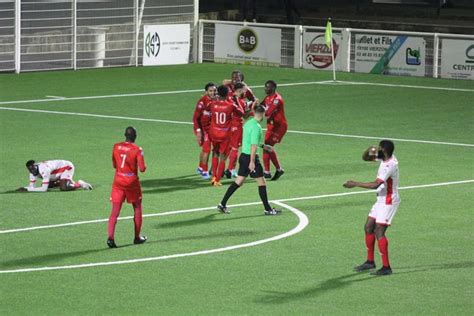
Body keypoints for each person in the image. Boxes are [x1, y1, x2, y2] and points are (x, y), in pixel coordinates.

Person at [343, 140, 400, 276]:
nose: (378, 149)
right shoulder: (386, 156)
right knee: (368, 227)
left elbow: (375, 185)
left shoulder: (389, 165)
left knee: (379, 231)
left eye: (379, 147)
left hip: (389, 201)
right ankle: (370, 261)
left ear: (384, 151)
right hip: (380, 200)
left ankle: (386, 267)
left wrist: (355, 183)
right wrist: (371, 150)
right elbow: (365, 157)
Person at [217, 104, 281, 216]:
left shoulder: (248, 124)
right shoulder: (257, 127)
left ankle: (222, 204)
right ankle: (268, 209)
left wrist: (264, 146)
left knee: (239, 181)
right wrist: (252, 161)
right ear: (262, 114)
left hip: (243, 156)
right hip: (250, 158)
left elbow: (250, 140)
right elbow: (253, 145)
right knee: (262, 182)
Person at [107, 126, 147, 248]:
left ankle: (110, 238)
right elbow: (142, 169)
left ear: (125, 135)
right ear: (135, 137)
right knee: (137, 207)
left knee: (115, 211)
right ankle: (137, 237)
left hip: (118, 180)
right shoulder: (137, 150)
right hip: (131, 182)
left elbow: (114, 164)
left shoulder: (116, 146)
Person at [209, 85, 244, 186]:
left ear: (218, 93)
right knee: (223, 157)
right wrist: (236, 100)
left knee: (215, 153)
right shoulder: (230, 105)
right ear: (227, 94)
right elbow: (241, 113)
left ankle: (213, 177)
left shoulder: (213, 104)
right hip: (224, 134)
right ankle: (217, 180)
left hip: (214, 132)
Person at [227, 82, 255, 178]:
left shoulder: (230, 97)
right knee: (235, 148)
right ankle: (231, 170)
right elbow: (244, 115)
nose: (246, 92)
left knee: (229, 148)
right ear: (240, 90)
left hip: (228, 126)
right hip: (237, 126)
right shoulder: (238, 100)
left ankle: (225, 169)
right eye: (245, 90)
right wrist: (253, 106)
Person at [261, 80, 287, 181]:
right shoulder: (267, 98)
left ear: (273, 88)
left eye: (268, 87)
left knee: (268, 146)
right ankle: (268, 171)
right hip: (271, 126)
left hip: (279, 127)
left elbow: (267, 112)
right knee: (266, 146)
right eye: (265, 87)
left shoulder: (277, 99)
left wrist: (255, 113)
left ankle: (275, 170)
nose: (265, 89)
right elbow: (261, 106)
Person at [17, 159, 92, 192]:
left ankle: (80, 183)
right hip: (55, 173)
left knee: (64, 188)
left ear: (35, 166)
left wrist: (28, 190)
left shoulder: (44, 169)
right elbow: (31, 186)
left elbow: (43, 189)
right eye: (30, 170)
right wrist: (24, 188)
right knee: (48, 185)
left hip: (66, 167)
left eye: (33, 169)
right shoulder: (32, 172)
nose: (32, 171)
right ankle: (65, 181)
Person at [192, 82, 217, 179]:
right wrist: (198, 131)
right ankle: (205, 171)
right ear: (206, 92)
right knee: (206, 149)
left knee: (205, 149)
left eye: (214, 90)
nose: (213, 93)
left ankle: (200, 167)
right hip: (202, 128)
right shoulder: (202, 102)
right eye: (210, 91)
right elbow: (195, 118)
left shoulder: (218, 99)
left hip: (211, 128)